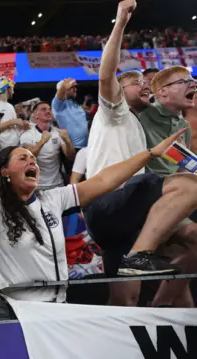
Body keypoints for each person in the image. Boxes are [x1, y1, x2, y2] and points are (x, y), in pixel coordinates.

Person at [0, 108, 187, 302]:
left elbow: (103, 180)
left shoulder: (53, 199)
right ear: (4, 171)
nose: (32, 161)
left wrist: (150, 154)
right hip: (17, 311)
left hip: (57, 307)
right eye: (22, 158)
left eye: (33, 158)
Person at [84, 0, 197, 306]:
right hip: (107, 203)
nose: (144, 83)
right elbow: (107, 76)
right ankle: (139, 255)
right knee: (184, 184)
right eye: (136, 82)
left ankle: (160, 313)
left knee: (125, 298)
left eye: (144, 80)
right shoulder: (114, 112)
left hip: (128, 215)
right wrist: (120, 22)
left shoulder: (140, 123)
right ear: (119, 91)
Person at [140, 66, 195, 176]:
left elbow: (182, 168)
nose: (193, 84)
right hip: (143, 188)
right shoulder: (141, 115)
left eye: (192, 80)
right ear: (163, 91)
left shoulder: (184, 125)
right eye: (183, 81)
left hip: (174, 187)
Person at [20, 102, 75, 190]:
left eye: (50, 109)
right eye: (43, 109)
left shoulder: (58, 133)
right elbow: (29, 157)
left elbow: (71, 156)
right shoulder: (27, 135)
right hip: (36, 184)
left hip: (57, 183)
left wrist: (68, 141)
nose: (48, 111)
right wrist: (42, 141)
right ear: (35, 115)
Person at [0, 76, 29, 156]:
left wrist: (22, 126)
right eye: (12, 88)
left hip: (15, 148)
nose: (13, 92)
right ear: (6, 88)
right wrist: (13, 122)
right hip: (2, 152)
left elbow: (13, 129)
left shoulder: (9, 106)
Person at [52, 78, 89, 150]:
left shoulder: (76, 105)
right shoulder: (58, 105)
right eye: (72, 87)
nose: (75, 89)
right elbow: (61, 92)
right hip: (72, 148)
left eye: (75, 87)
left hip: (86, 147)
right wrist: (65, 84)